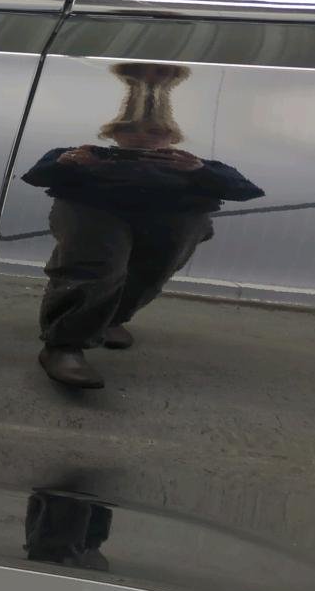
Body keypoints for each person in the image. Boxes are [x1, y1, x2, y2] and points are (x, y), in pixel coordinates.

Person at [25, 63, 264, 388]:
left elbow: (244, 190)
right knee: (96, 266)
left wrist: (199, 171)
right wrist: (65, 163)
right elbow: (37, 176)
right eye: (129, 130)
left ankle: (109, 319)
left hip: (169, 224)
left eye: (154, 132)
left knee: (151, 272)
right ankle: (64, 344)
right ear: (114, 133)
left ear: (171, 137)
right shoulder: (88, 154)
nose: (140, 137)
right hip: (95, 214)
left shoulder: (189, 163)